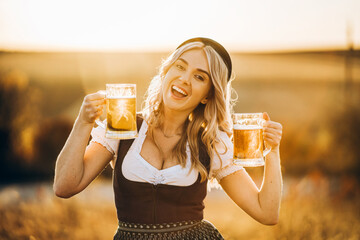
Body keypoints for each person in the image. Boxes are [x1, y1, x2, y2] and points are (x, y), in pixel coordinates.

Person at [53, 37, 283, 239]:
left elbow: (267, 213)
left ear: (207, 96)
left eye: (199, 77)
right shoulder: (123, 126)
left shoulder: (211, 144)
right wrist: (83, 122)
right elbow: (65, 186)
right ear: (166, 72)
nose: (184, 79)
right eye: (180, 67)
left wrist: (271, 152)